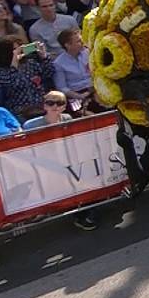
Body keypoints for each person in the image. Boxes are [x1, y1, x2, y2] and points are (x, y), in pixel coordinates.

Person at [21, 91, 99, 230]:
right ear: (44, 105)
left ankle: (85, 212)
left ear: (64, 106)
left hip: (66, 160)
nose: (54, 106)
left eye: (59, 103)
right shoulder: (31, 125)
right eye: (50, 103)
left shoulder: (67, 118)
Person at [0, 36, 53, 118]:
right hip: (20, 111)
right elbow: (11, 83)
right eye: (15, 50)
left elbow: (49, 73)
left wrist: (44, 57)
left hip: (41, 107)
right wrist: (14, 62)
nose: (19, 51)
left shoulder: (31, 63)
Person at [52, 28, 94, 111]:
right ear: (68, 45)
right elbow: (62, 87)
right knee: (80, 112)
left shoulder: (88, 53)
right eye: (78, 41)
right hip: (76, 94)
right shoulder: (59, 63)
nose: (82, 43)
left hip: (94, 89)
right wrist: (79, 96)